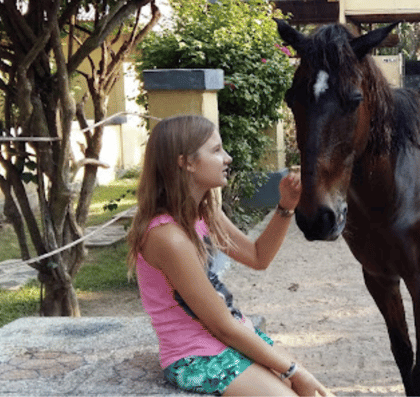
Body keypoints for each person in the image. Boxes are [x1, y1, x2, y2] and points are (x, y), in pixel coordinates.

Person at [126, 115, 331, 397]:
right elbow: (221, 325)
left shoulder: (205, 212)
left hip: (229, 340)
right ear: (186, 162)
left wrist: (286, 206)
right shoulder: (168, 237)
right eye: (216, 150)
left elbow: (258, 257)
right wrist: (295, 371)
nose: (227, 157)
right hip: (197, 356)